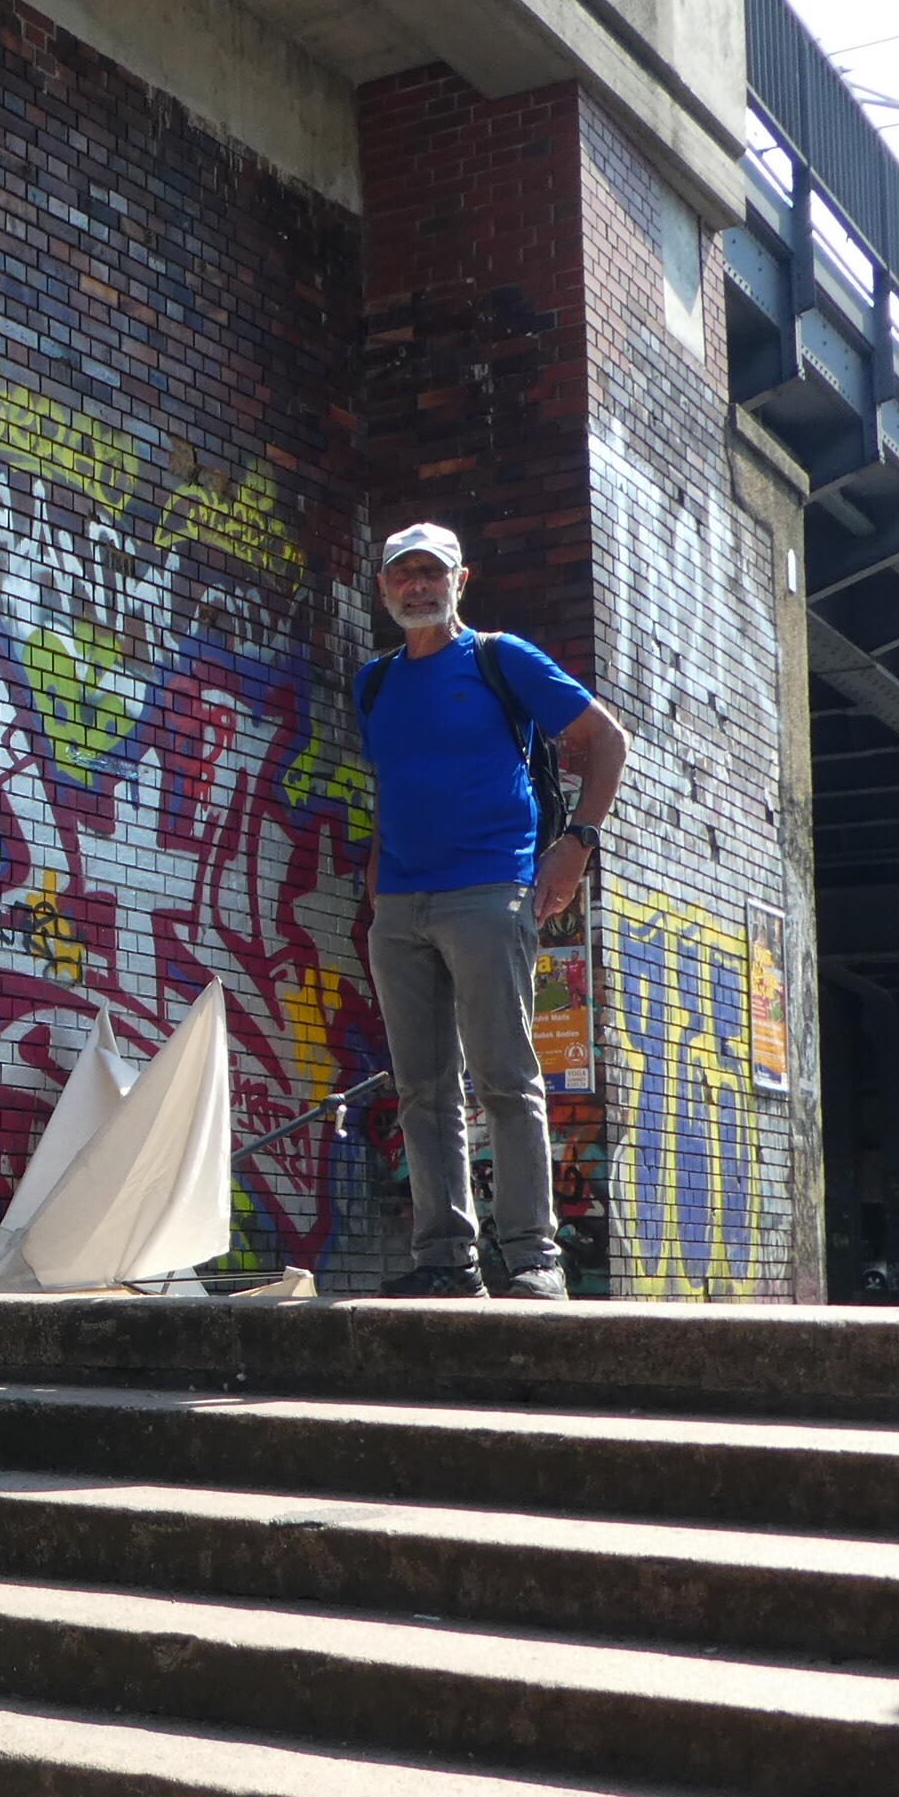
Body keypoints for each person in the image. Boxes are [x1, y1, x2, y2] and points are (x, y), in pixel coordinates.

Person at [354, 522, 631, 1300]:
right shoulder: (373, 683)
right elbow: (395, 786)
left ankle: (535, 1258)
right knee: (422, 1088)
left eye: (432, 573)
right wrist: (378, 884)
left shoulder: (498, 657)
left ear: (460, 580)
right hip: (400, 905)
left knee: (506, 1078)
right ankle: (447, 1259)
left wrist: (578, 843)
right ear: (385, 587)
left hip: (488, 891)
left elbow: (607, 739)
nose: (418, 586)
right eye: (403, 574)